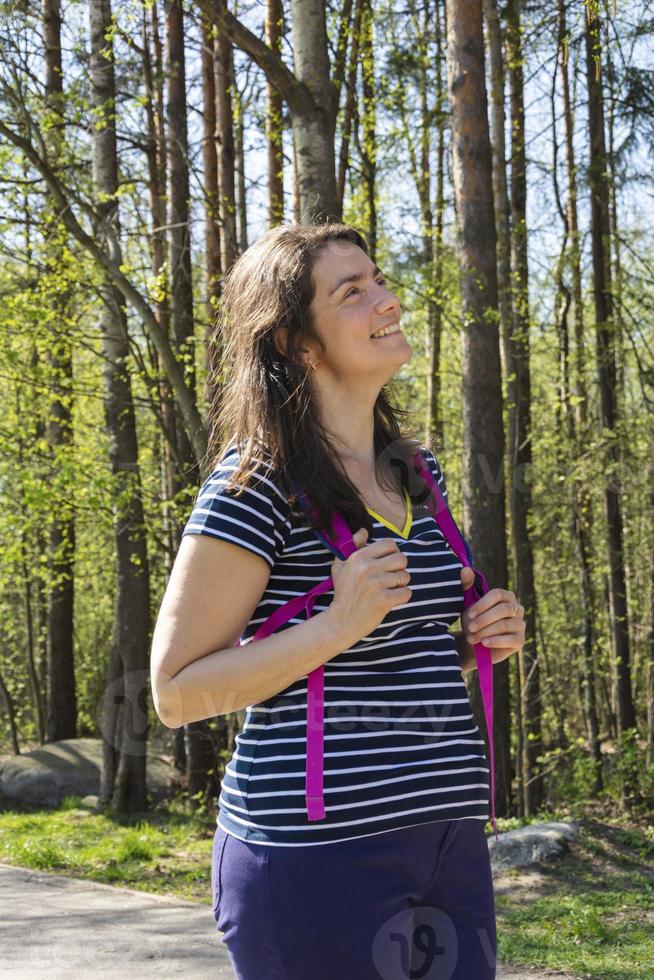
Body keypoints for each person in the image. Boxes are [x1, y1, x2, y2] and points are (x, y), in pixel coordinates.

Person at [150, 223, 525, 980]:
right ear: (295, 343)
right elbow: (176, 692)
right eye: (352, 293)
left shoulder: (417, 473)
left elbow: (387, 654)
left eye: (378, 281)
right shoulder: (252, 485)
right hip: (315, 860)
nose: (386, 300)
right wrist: (336, 623)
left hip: (447, 841)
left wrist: (476, 639)